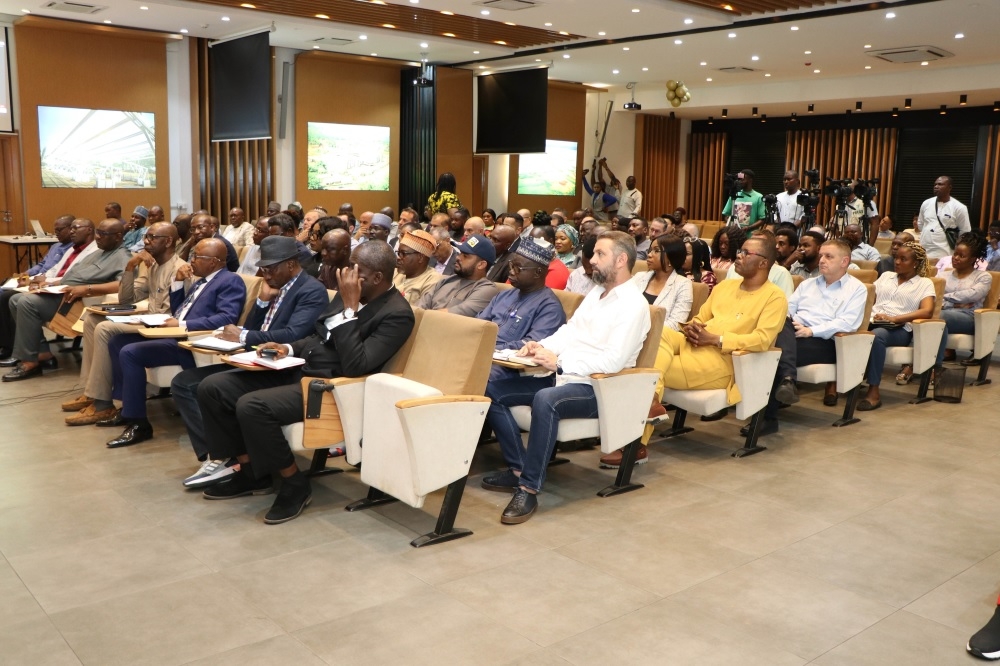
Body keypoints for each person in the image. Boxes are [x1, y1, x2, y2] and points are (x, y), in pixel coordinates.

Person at [197, 241, 415, 524]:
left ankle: (294, 484)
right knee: (214, 388)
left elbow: (357, 366)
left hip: (332, 388)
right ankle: (252, 474)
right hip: (299, 369)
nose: (346, 275)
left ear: (377, 277)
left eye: (355, 271)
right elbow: (320, 336)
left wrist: (350, 311)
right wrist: (287, 348)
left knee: (252, 406)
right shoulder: (351, 290)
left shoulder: (396, 313)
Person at [480, 232, 651, 524]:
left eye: (600, 255)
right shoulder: (598, 294)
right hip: (564, 376)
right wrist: (543, 347)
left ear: (621, 260)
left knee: (546, 399)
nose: (591, 261)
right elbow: (569, 331)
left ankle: (529, 487)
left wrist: (559, 362)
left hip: (599, 388)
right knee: (491, 389)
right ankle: (519, 467)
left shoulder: (634, 305)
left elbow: (613, 361)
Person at [171, 236, 329, 488]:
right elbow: (254, 330)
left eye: (270, 268)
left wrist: (243, 335)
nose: (264, 273)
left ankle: (234, 461)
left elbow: (293, 335)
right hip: (254, 359)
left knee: (209, 386)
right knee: (187, 382)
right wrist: (262, 302)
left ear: (290, 264)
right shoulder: (275, 284)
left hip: (283, 367)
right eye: (262, 268)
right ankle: (233, 459)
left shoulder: (311, 290)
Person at [102, 238, 248, 448]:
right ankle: (128, 408)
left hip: (191, 342)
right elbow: (180, 310)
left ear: (215, 262)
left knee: (131, 352)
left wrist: (181, 323)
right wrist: (177, 283)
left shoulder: (229, 281)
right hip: (175, 333)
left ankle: (139, 423)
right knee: (117, 341)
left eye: (198, 257)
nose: (192, 261)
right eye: (193, 256)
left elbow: (226, 319)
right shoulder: (201, 279)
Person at [649, 234, 787, 438]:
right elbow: (700, 317)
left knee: (645, 374)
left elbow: (762, 340)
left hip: (722, 360)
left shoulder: (775, 297)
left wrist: (716, 339)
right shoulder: (725, 286)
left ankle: (636, 445)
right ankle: (651, 402)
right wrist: (692, 328)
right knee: (658, 335)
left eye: (745, 253)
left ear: (763, 263)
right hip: (695, 344)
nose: (738, 256)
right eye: (739, 251)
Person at [63, 221, 186, 425]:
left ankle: (103, 403)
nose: (145, 242)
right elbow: (127, 299)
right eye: (146, 237)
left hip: (162, 326)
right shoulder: (153, 265)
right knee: (93, 318)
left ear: (168, 241)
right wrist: (130, 267)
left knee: (105, 329)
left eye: (152, 238)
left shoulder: (179, 268)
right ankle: (91, 391)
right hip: (147, 319)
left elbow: (172, 313)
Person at [759, 239, 868, 434]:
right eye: (821, 256)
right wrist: (795, 324)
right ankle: (788, 380)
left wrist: (812, 330)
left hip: (826, 342)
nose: (822, 260)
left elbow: (848, 323)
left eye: (829, 256)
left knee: (774, 355)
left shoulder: (856, 289)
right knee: (779, 322)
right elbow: (787, 309)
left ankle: (768, 417)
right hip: (795, 331)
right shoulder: (807, 284)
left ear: (844, 262)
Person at [3, 219, 131, 382]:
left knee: (26, 303)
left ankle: (29, 362)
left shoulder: (123, 256)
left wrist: (87, 289)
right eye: (98, 232)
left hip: (77, 301)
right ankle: (42, 353)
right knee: (15, 299)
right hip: (62, 291)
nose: (97, 237)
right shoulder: (99, 252)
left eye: (103, 234)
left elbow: (122, 284)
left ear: (118, 236)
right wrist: (47, 283)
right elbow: (72, 276)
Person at [859, 241, 945, 409]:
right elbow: (869, 300)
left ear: (916, 263)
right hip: (873, 321)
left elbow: (927, 311)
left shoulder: (924, 283)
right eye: (896, 258)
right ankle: (841, 384)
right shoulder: (885, 277)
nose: (897, 262)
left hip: (900, 329)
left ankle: (874, 391)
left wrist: (895, 318)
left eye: (903, 259)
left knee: (877, 337)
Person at [478, 237, 566, 381]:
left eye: (517, 269)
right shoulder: (504, 295)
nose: (511, 272)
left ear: (538, 273)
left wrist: (488, 346)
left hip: (511, 370)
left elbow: (530, 346)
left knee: (476, 376)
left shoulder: (550, 308)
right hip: (483, 354)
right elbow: (479, 323)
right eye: (511, 266)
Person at [0, 215, 74, 359]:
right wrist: (25, 274)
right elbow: (41, 265)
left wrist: (35, 281)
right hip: (36, 279)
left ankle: (10, 346)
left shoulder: (72, 249)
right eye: (55, 230)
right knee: (2, 288)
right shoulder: (55, 246)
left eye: (60, 230)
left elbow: (62, 274)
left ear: (70, 229)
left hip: (48, 285)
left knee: (9, 298)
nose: (57, 233)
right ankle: (5, 341)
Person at [416, 234, 499, 316]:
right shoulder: (447, 280)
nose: (458, 257)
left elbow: (449, 317)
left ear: (481, 264)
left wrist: (422, 315)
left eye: (465, 256)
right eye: (460, 253)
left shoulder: (487, 290)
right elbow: (419, 307)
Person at [941, 232, 992, 360]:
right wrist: (953, 303)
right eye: (955, 254)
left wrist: (944, 297)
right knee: (929, 314)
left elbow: (972, 295)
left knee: (937, 316)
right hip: (946, 311)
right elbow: (934, 298)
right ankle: (938, 356)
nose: (956, 258)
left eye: (961, 256)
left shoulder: (983, 277)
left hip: (970, 318)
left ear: (972, 259)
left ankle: (935, 361)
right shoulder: (943, 276)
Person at [631, 235, 693, 333]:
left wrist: (641, 329)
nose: (649, 255)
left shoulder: (683, 284)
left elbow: (676, 324)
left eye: (656, 251)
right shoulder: (639, 277)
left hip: (657, 338)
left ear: (671, 258)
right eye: (650, 250)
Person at [918, 176, 972, 260]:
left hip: (944, 252)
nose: (936, 186)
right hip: (924, 249)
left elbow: (965, 232)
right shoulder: (926, 203)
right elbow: (921, 224)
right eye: (935, 184)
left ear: (949, 187)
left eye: (940, 184)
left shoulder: (959, 207)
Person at [393, 229, 442, 305]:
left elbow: (419, 312)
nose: (398, 258)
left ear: (420, 257)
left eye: (403, 253)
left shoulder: (433, 281)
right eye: (399, 253)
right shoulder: (395, 271)